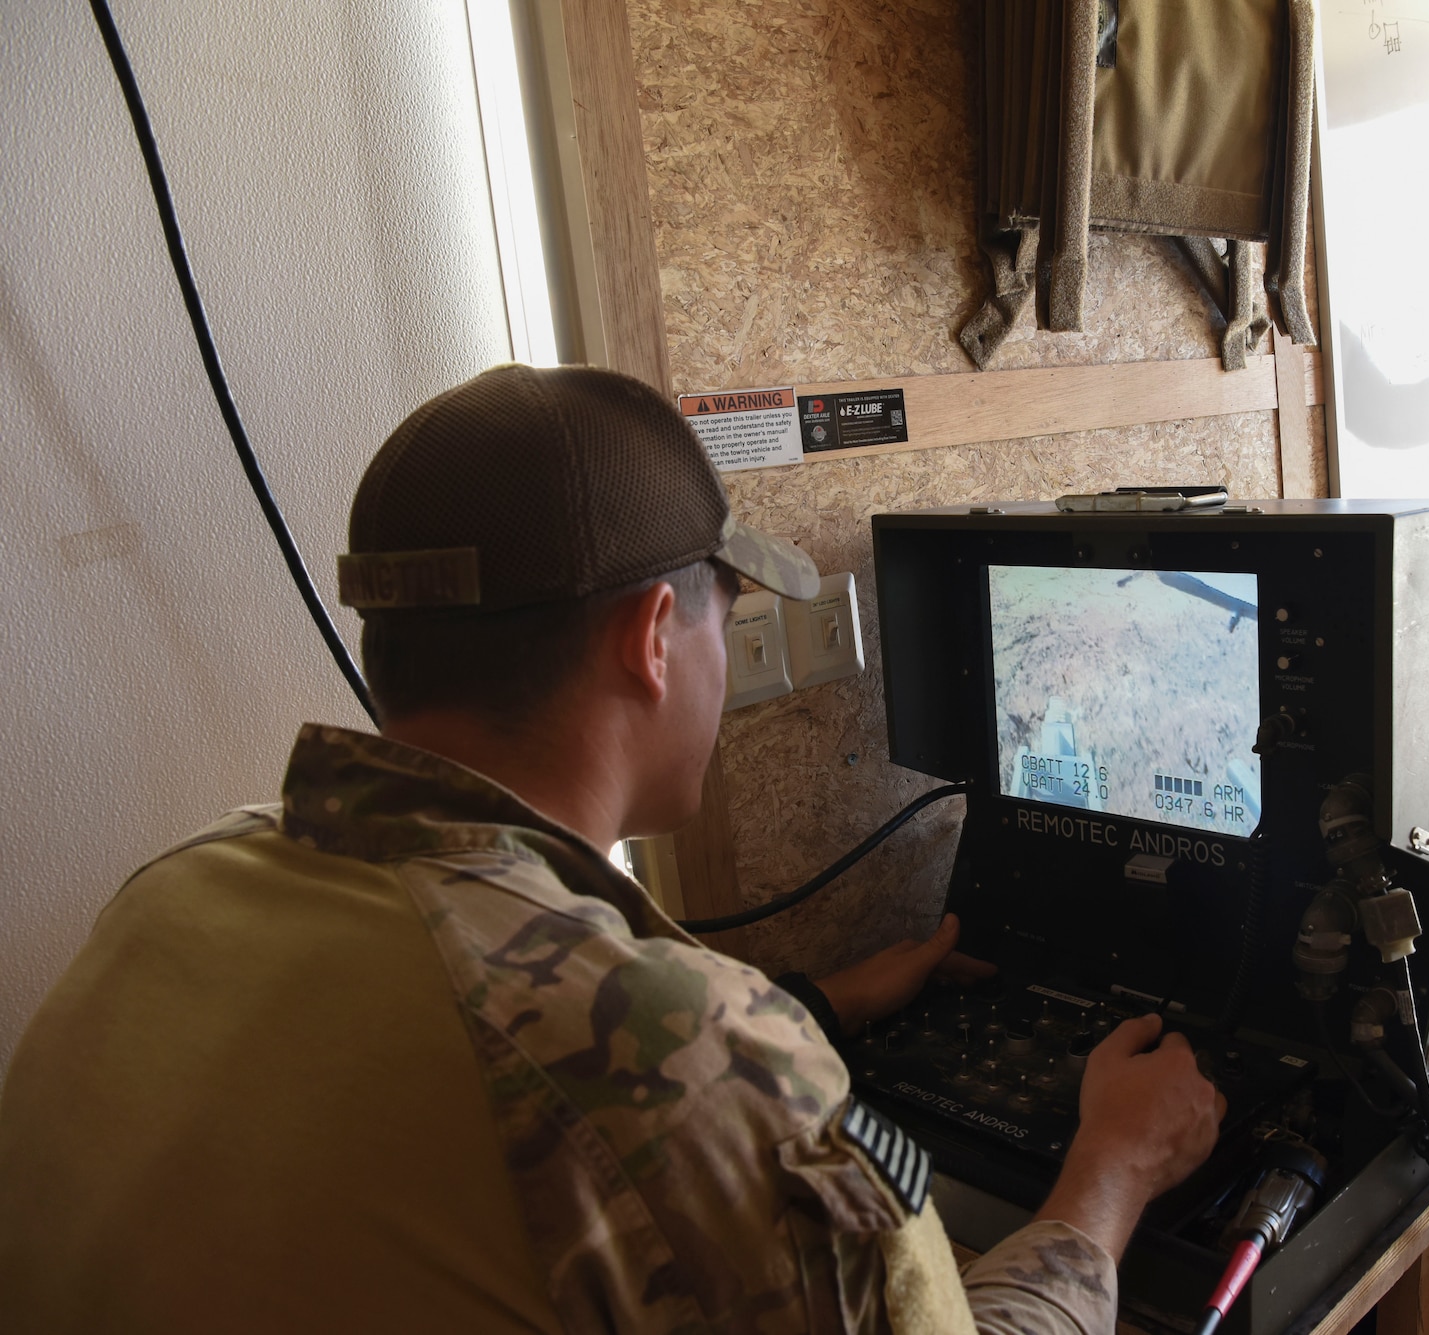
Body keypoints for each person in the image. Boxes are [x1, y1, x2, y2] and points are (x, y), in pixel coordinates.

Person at [0, 363, 1226, 1331]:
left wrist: (819, 1003)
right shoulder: (696, 1061)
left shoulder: (180, 890)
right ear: (652, 636)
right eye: (727, 612)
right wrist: (1111, 1173)